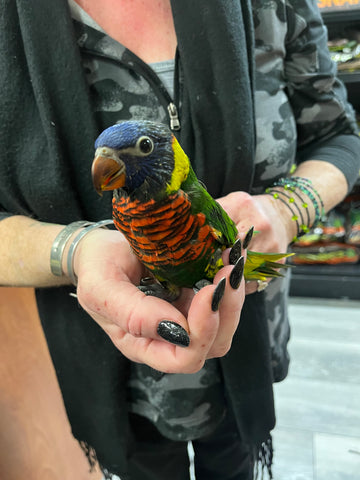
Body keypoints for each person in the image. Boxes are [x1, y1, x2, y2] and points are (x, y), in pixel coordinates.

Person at [1, 0, 359, 479]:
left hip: (243, 339)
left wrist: (284, 210)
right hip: (106, 374)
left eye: (139, 151)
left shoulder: (192, 207)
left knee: (233, 464)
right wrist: (78, 248)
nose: (109, 165)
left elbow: (341, 134)